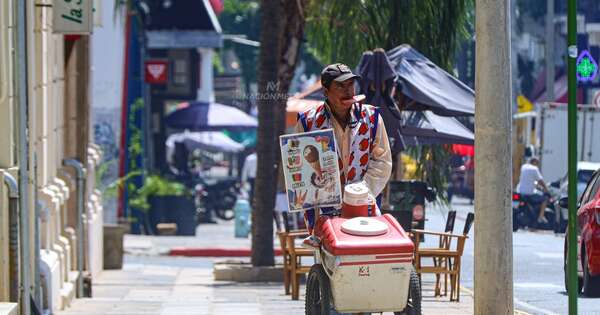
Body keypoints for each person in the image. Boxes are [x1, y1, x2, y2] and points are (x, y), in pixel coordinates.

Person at [295, 63, 392, 247]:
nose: (347, 91)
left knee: (367, 254)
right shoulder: (307, 122)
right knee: (329, 263)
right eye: (340, 86)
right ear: (325, 91)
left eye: (350, 85)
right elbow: (301, 168)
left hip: (364, 204)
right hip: (322, 210)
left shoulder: (371, 118)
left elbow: (382, 161)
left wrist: (359, 193)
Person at [517, 157, 550, 224]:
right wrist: (546, 190)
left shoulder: (523, 167)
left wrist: (536, 185)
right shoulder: (534, 169)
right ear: (534, 162)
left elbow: (528, 180)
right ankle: (540, 217)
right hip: (529, 194)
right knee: (545, 199)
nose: (537, 165)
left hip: (520, 192)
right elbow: (541, 181)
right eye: (537, 163)